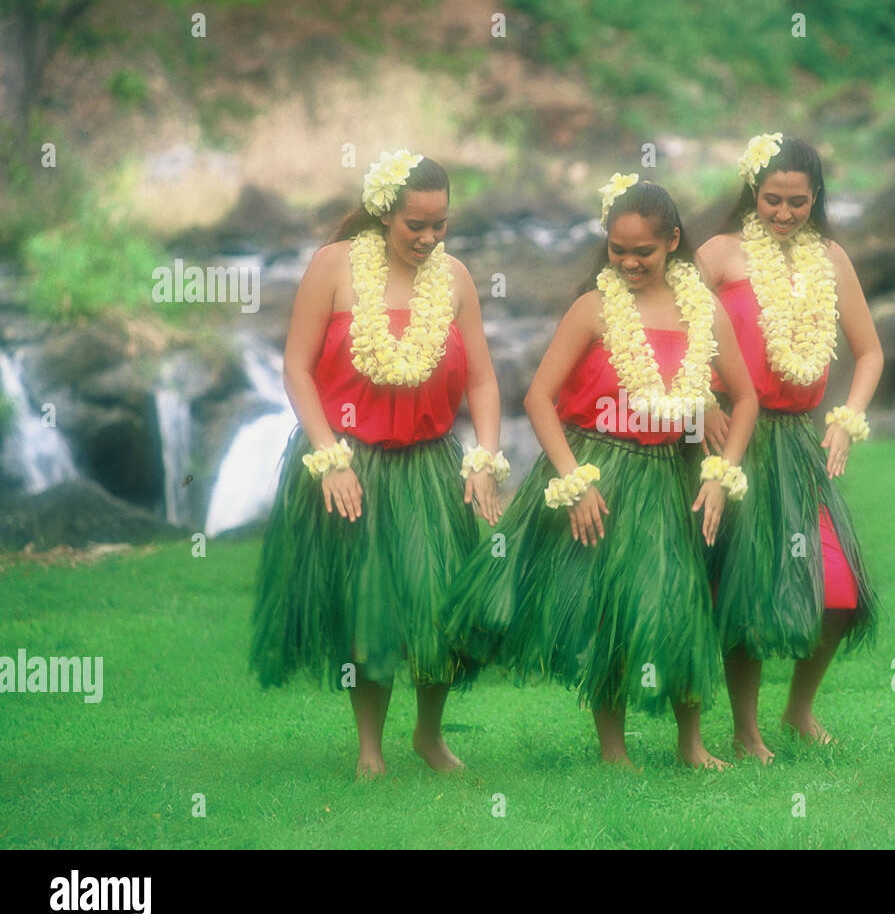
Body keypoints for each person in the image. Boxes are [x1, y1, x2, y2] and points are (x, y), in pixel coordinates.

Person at [442, 175, 758, 770]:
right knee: (606, 605)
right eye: (618, 250)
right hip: (599, 469)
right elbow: (539, 398)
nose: (630, 261)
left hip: (670, 473)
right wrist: (573, 480)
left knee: (679, 600)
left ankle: (691, 743)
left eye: (644, 250)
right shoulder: (593, 308)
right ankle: (613, 751)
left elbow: (745, 399)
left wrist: (721, 472)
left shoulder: (703, 310)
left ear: (672, 241)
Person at [250, 149, 507, 780]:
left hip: (428, 463)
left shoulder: (456, 280)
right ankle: (370, 749)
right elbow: (297, 369)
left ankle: (428, 735)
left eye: (439, 224)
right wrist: (326, 455)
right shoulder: (334, 267)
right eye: (415, 225)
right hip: (350, 462)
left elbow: (482, 381)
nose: (428, 238)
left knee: (440, 605)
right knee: (369, 609)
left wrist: (485, 456)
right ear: (383, 213)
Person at [694, 133, 884, 763]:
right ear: (753, 192)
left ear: (816, 198)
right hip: (738, 442)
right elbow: (674, 336)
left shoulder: (831, 258)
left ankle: (799, 708)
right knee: (745, 591)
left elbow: (871, 353)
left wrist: (846, 419)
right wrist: (702, 404)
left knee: (839, 588)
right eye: (772, 199)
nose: (783, 213)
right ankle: (746, 731)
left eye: (797, 202)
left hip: (803, 443)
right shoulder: (719, 255)